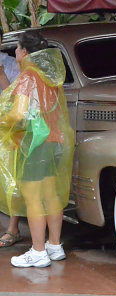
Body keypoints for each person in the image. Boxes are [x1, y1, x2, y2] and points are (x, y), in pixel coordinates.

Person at [0, 31, 74, 267]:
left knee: (33, 198)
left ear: (26, 52)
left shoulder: (27, 78)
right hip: (55, 143)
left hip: (34, 145)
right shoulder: (49, 78)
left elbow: (18, 114)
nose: (15, 52)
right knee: (51, 196)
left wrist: (3, 119)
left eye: (19, 48)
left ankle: (38, 252)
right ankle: (54, 246)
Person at [0, 28, 21, 248]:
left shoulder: (12, 65)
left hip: (7, 128)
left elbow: (15, 99)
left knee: (11, 178)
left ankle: (13, 229)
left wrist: (1, 75)